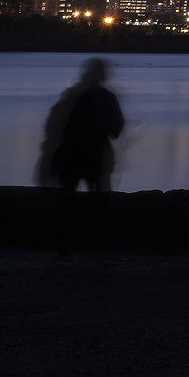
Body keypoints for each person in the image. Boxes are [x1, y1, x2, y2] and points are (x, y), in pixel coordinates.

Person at [39, 57, 125, 263]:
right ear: (103, 76)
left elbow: (53, 124)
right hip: (96, 155)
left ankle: (64, 252)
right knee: (102, 204)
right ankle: (110, 251)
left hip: (70, 155)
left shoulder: (71, 95)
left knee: (65, 203)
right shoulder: (107, 98)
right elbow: (116, 128)